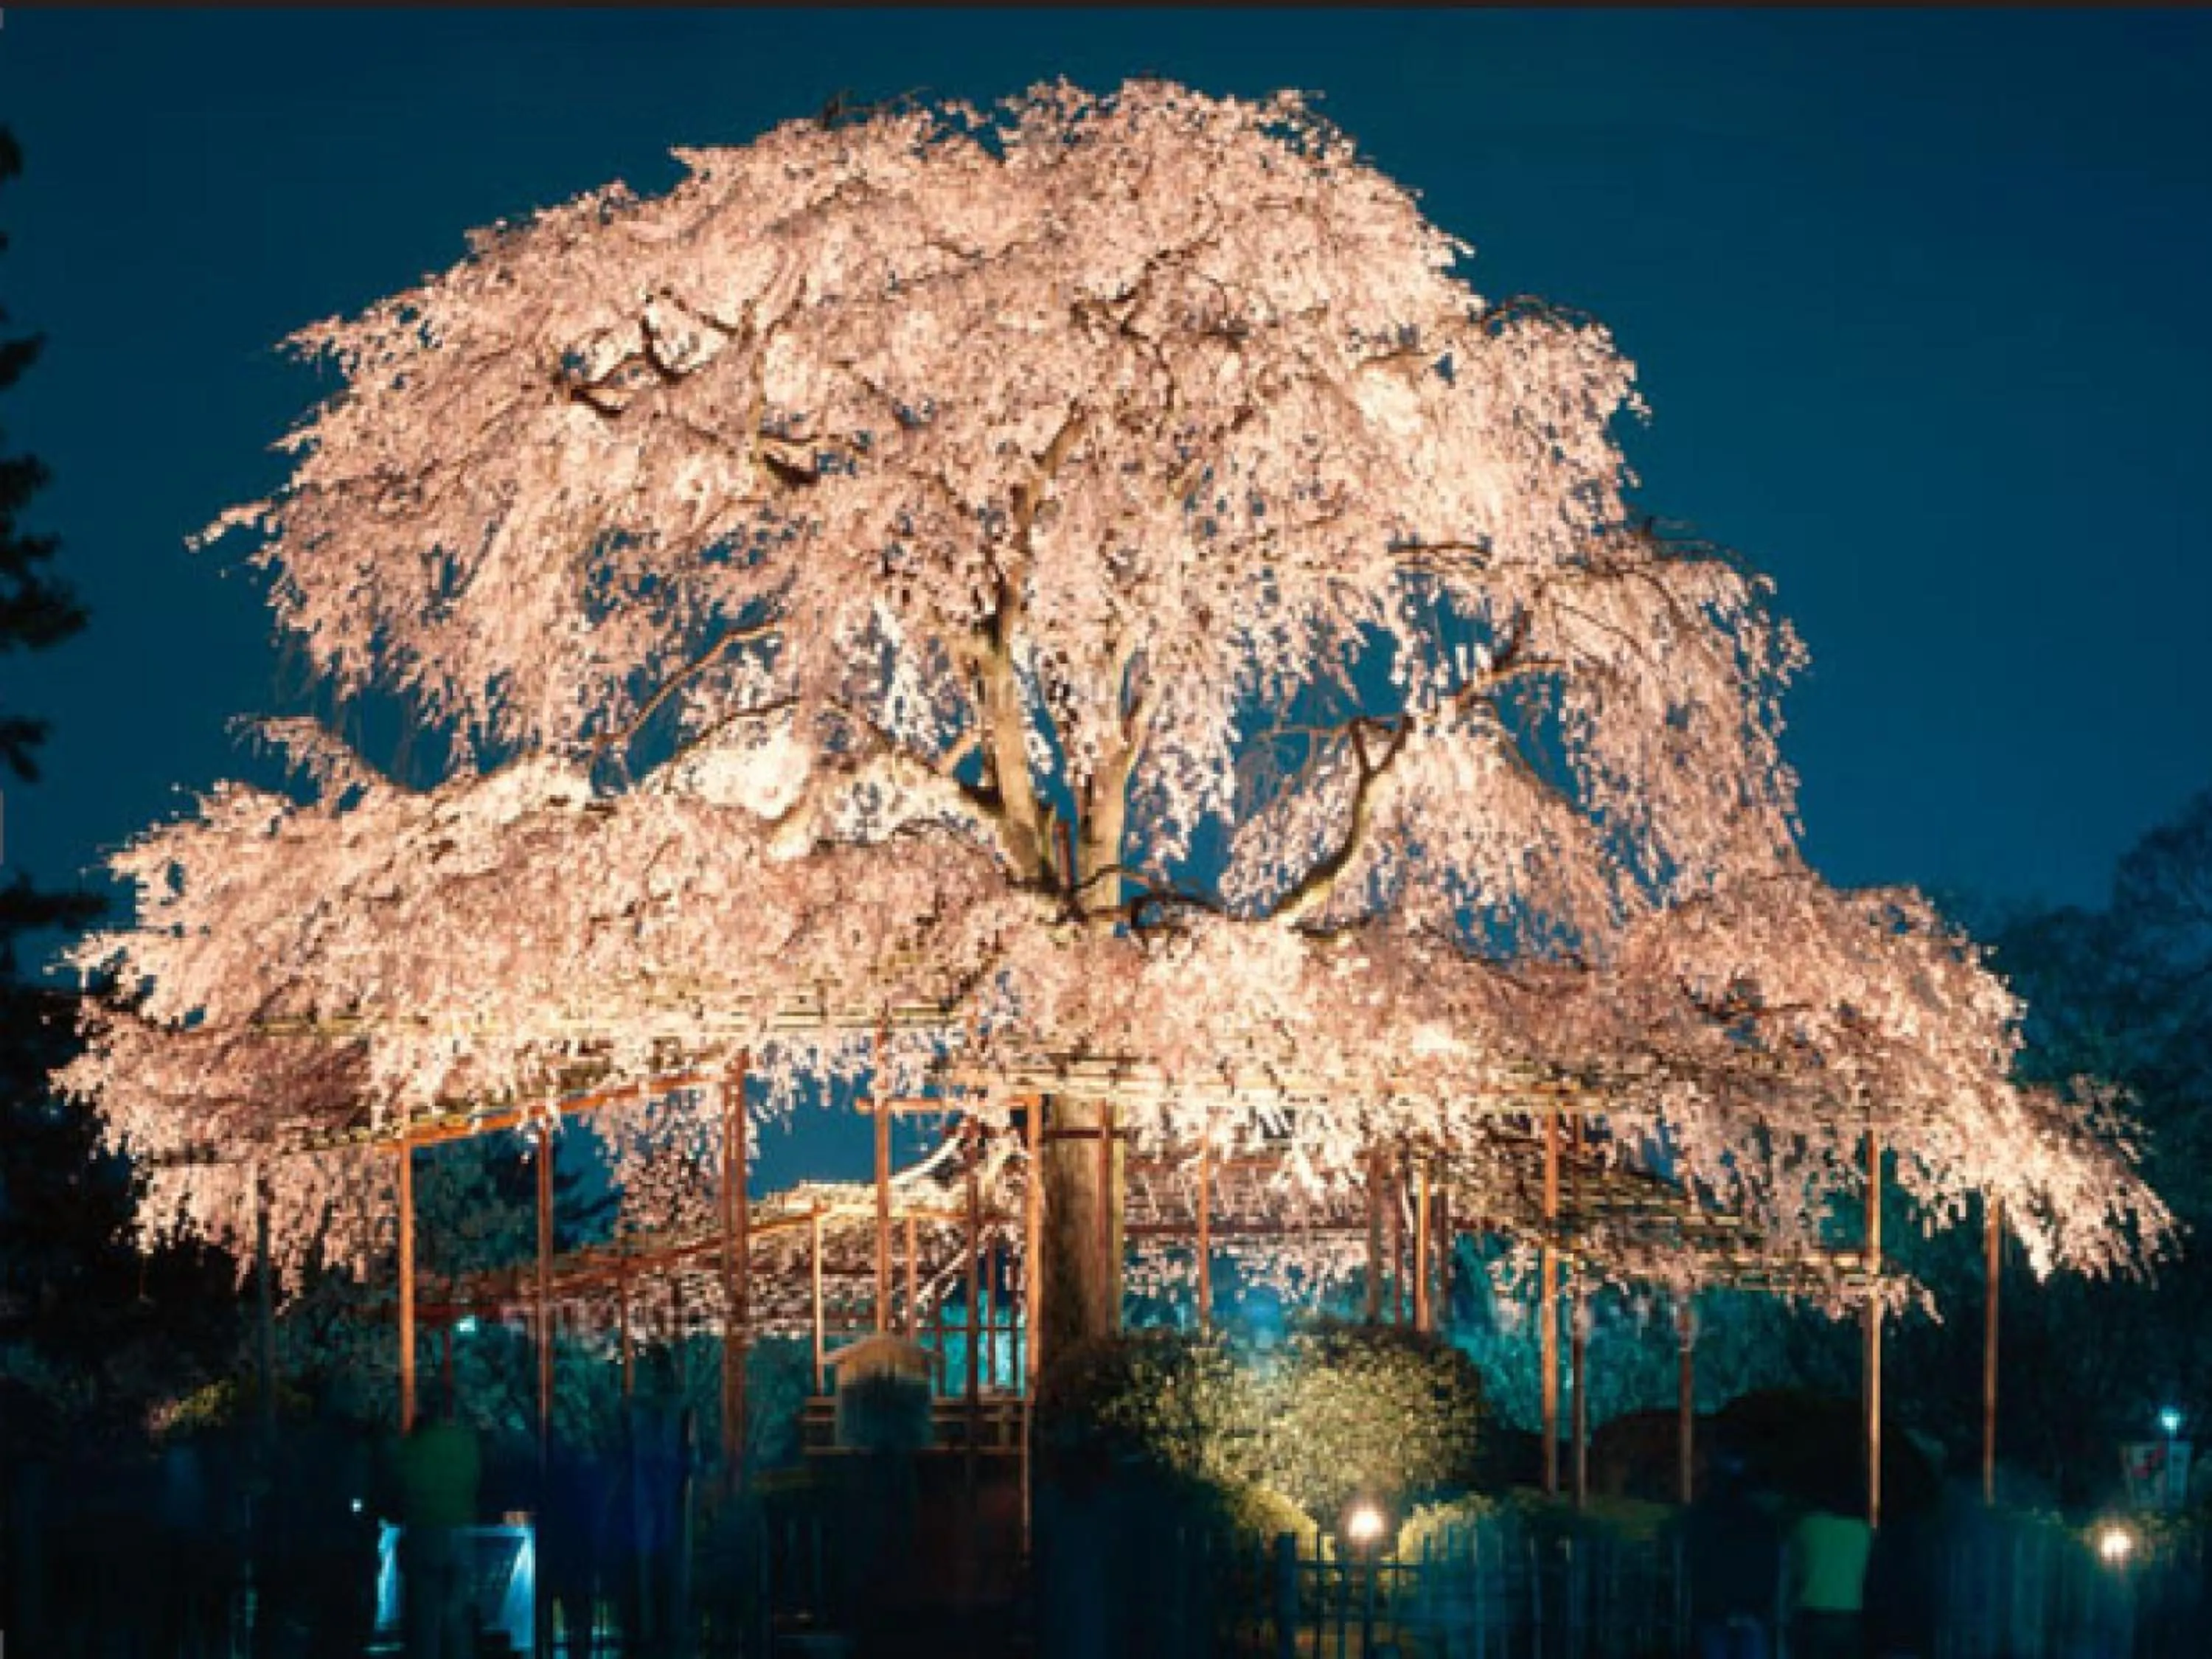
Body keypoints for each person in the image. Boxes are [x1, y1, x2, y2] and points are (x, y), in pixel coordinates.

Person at [392, 1377, 483, 1659]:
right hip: (459, 1529)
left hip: (425, 1531)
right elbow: (476, 1480)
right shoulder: (466, 1442)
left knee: (426, 1617)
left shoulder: (414, 1444)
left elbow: (401, 1482)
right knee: (456, 1614)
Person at [1684, 1450, 1780, 1659]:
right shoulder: (1761, 1520)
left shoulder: (1702, 1517)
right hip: (1750, 1608)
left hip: (1713, 1607)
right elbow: (1772, 1564)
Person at [1787, 1486, 1874, 1659]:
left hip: (1814, 1614)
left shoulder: (1807, 1526)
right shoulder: (1863, 1531)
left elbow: (1793, 1570)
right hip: (1851, 1616)